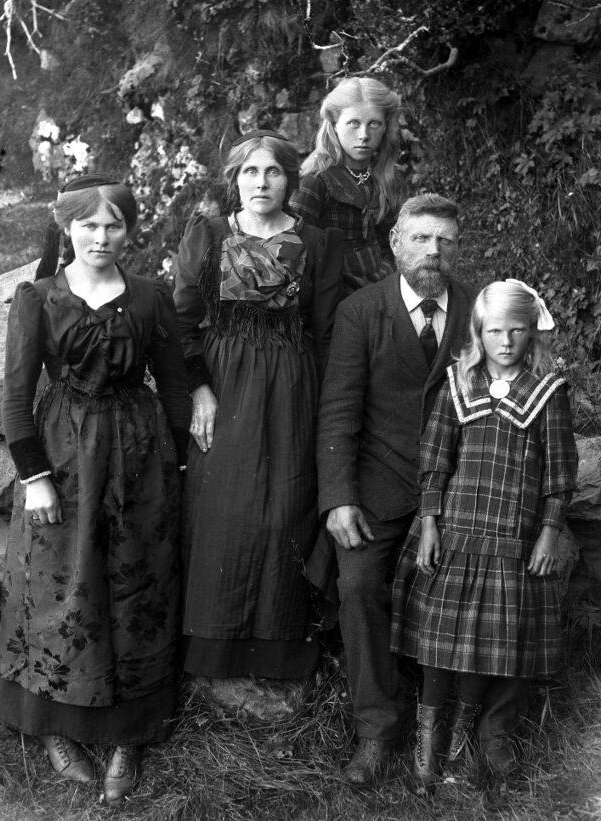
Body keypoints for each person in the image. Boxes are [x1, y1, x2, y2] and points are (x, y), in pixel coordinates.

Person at [0, 174, 190, 806]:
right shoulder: (38, 298)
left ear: (130, 231)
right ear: (66, 228)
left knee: (137, 586)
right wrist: (35, 478)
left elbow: (175, 385)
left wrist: (178, 468)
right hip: (62, 457)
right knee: (64, 584)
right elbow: (16, 400)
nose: (101, 237)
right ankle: (55, 726)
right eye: (89, 225)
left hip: (139, 457)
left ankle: (129, 736)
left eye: (114, 225)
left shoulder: (151, 296)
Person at [390, 280, 578, 792]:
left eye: (516, 330)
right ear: (479, 331)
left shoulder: (547, 393)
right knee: (439, 643)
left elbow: (561, 473)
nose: (505, 341)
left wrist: (549, 532)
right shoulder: (458, 383)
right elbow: (435, 460)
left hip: (510, 542)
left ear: (531, 332)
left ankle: (460, 742)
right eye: (494, 331)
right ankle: (427, 745)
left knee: (484, 646)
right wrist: (430, 524)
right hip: (455, 536)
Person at [316, 193, 475, 783]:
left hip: (458, 487)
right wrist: (339, 498)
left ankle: (460, 723)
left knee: (468, 585)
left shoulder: (475, 309)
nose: (433, 251)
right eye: (421, 238)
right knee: (358, 584)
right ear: (395, 243)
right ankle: (376, 729)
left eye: (445, 241)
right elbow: (338, 410)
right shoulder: (361, 311)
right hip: (378, 485)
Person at [174, 130, 342, 681]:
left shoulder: (318, 241)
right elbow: (181, 321)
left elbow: (325, 331)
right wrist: (199, 390)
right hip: (224, 387)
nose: (261, 182)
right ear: (235, 179)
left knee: (286, 505)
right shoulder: (209, 234)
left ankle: (280, 650)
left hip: (293, 387)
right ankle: (214, 651)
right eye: (250, 171)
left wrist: (321, 406)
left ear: (291, 180)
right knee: (224, 509)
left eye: (273, 172)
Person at [290, 77, 404, 296]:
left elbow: (393, 242)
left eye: (374, 124)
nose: (364, 135)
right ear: (334, 124)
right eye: (354, 123)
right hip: (335, 295)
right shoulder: (315, 182)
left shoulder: (387, 177)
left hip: (384, 286)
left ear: (385, 127)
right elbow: (294, 252)